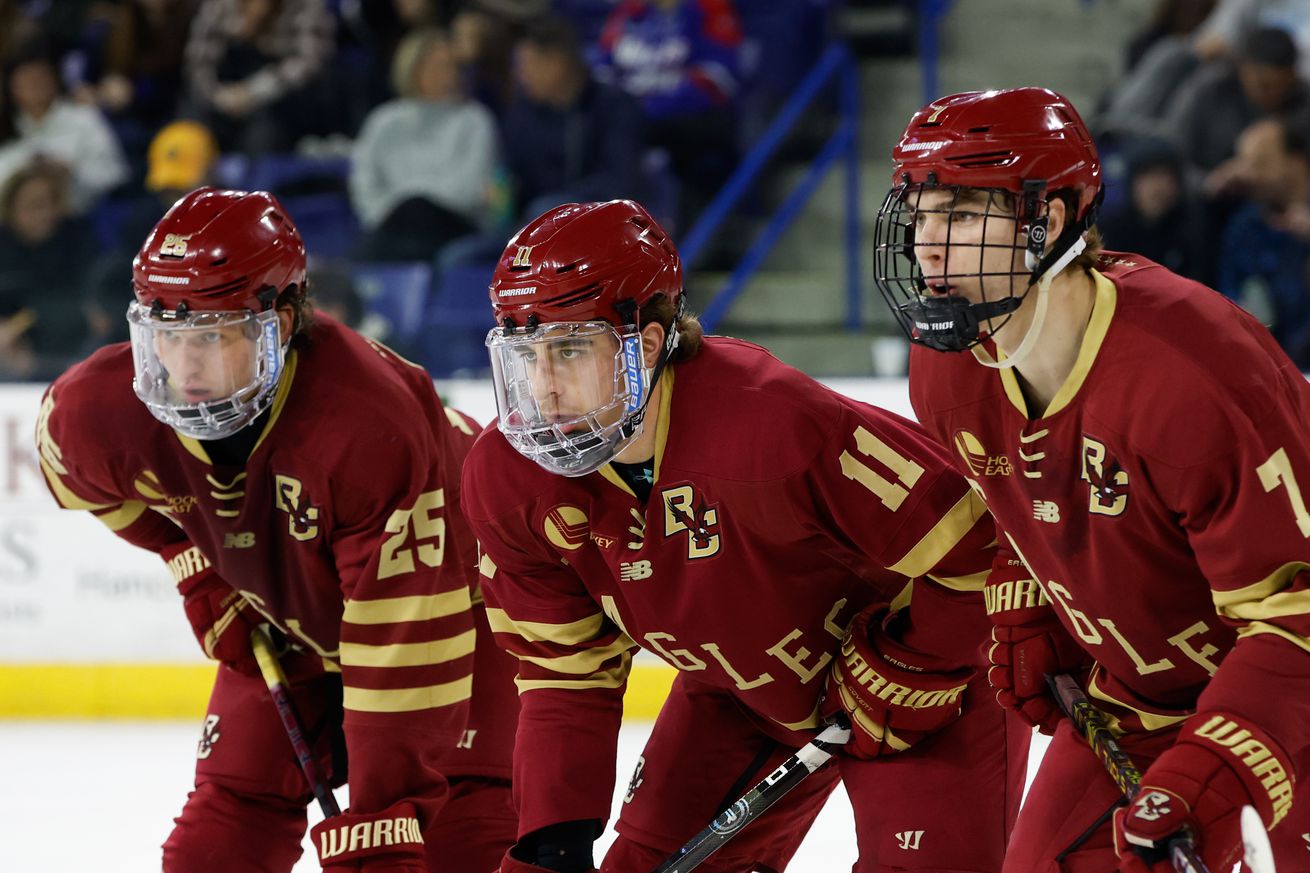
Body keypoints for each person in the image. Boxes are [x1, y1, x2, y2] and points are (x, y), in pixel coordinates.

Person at [460, 198, 1031, 873]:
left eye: (571, 349)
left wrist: (917, 659)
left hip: (932, 686)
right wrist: (553, 843)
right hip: (744, 692)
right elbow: (564, 674)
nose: (544, 387)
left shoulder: (770, 425)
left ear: (642, 345)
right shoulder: (507, 477)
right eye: (527, 356)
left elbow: (994, 548)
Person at [872, 86, 1310, 872]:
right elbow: (1020, 505)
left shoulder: (1196, 374)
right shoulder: (948, 374)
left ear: (1050, 220)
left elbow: (1302, 610)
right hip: (1139, 700)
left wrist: (1215, 768)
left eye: (964, 215)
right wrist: (1026, 592)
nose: (928, 246)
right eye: (922, 213)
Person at [35, 187, 518, 872]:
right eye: (169, 335)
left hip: (467, 612)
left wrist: (383, 819)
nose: (187, 366)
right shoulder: (99, 409)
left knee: (461, 835)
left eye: (212, 335)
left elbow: (404, 647)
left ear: (284, 321)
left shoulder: (366, 423)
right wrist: (192, 561)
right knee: (225, 826)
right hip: (298, 616)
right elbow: (72, 469)